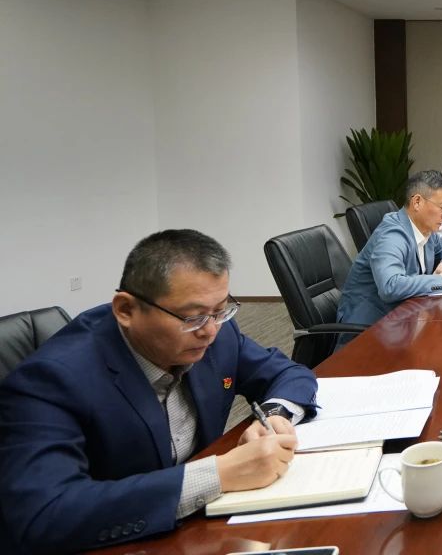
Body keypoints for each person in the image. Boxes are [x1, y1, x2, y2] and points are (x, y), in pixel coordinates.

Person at [0, 230, 317, 554]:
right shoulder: (51, 379)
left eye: (221, 310)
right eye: (193, 317)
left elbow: (288, 373)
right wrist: (217, 475)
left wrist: (274, 416)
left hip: (195, 532)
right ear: (126, 309)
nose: (210, 331)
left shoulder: (216, 334)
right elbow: (43, 514)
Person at [337, 169, 442, 331]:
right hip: (369, 328)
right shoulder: (392, 235)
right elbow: (390, 287)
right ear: (417, 202)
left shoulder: (425, 230)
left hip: (403, 319)